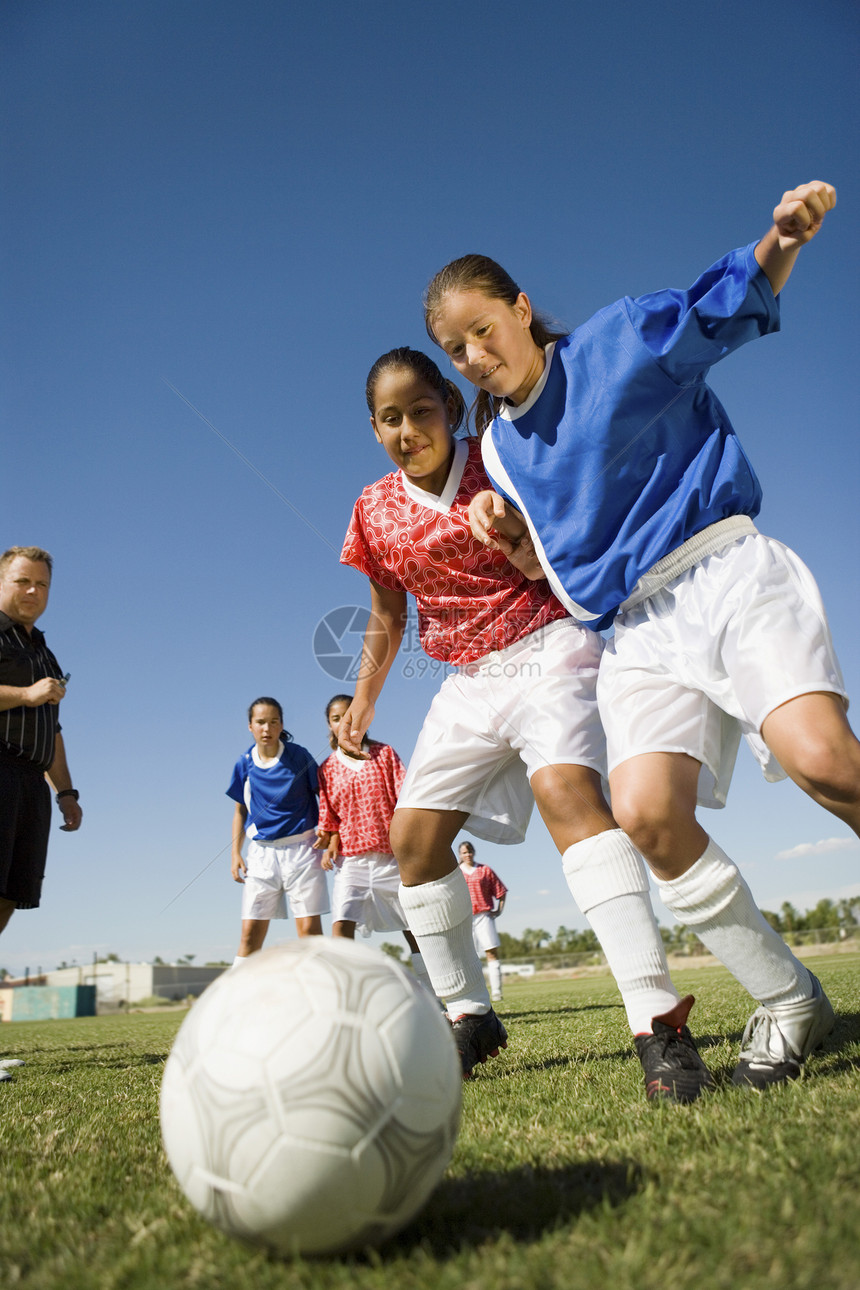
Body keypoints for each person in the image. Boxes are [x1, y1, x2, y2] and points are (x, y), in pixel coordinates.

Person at [426, 179, 858, 1088]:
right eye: (453, 350)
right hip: (632, 631)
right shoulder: (499, 451)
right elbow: (561, 571)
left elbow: (725, 303)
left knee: (824, 761)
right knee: (651, 819)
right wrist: (512, 544)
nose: (471, 356)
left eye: (481, 331)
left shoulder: (618, 342)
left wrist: (782, 239)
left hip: (725, 569)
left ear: (521, 309)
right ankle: (791, 1005)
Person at [337, 346, 710, 1101]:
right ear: (373, 428)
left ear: (448, 403)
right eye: (390, 418)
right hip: (468, 677)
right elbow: (387, 613)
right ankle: (470, 1015)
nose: (408, 428)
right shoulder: (372, 508)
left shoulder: (502, 456)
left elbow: (574, 538)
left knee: (568, 794)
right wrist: (366, 696)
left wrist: (517, 533)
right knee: (412, 842)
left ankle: (659, 1023)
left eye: (421, 409)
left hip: (550, 642)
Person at [0, 545, 82, 1085]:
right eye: (23, 581)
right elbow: (31, 705)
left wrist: (67, 792)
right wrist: (27, 695)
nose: (33, 592)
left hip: (31, 784)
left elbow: (51, 732)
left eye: (43, 585)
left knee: (8, 900)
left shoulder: (44, 652)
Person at [314, 694, 432, 992]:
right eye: (336, 718)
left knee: (413, 928)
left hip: (390, 858)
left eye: (349, 715)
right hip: (351, 860)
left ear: (363, 717)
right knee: (341, 925)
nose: (344, 722)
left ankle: (434, 994)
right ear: (329, 724)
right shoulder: (327, 767)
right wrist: (329, 842)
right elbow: (329, 815)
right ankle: (349, 995)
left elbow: (404, 798)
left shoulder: (384, 754)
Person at [226, 697, 328, 966]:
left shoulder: (299, 757)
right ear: (250, 726)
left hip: (303, 850)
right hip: (261, 854)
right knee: (249, 937)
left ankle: (318, 997)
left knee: (309, 934)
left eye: (273, 722)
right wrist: (235, 853)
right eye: (260, 722)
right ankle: (236, 1002)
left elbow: (324, 796)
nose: (266, 728)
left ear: (281, 725)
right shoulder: (244, 763)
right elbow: (240, 810)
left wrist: (327, 832)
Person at [458, 841, 507, 1002]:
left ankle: (497, 992)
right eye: (464, 852)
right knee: (467, 956)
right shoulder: (456, 873)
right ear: (460, 855)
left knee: (491, 952)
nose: (468, 855)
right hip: (464, 918)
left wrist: (499, 910)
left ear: (474, 852)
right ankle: (474, 994)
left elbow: (501, 890)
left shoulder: (484, 870)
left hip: (484, 916)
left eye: (470, 851)